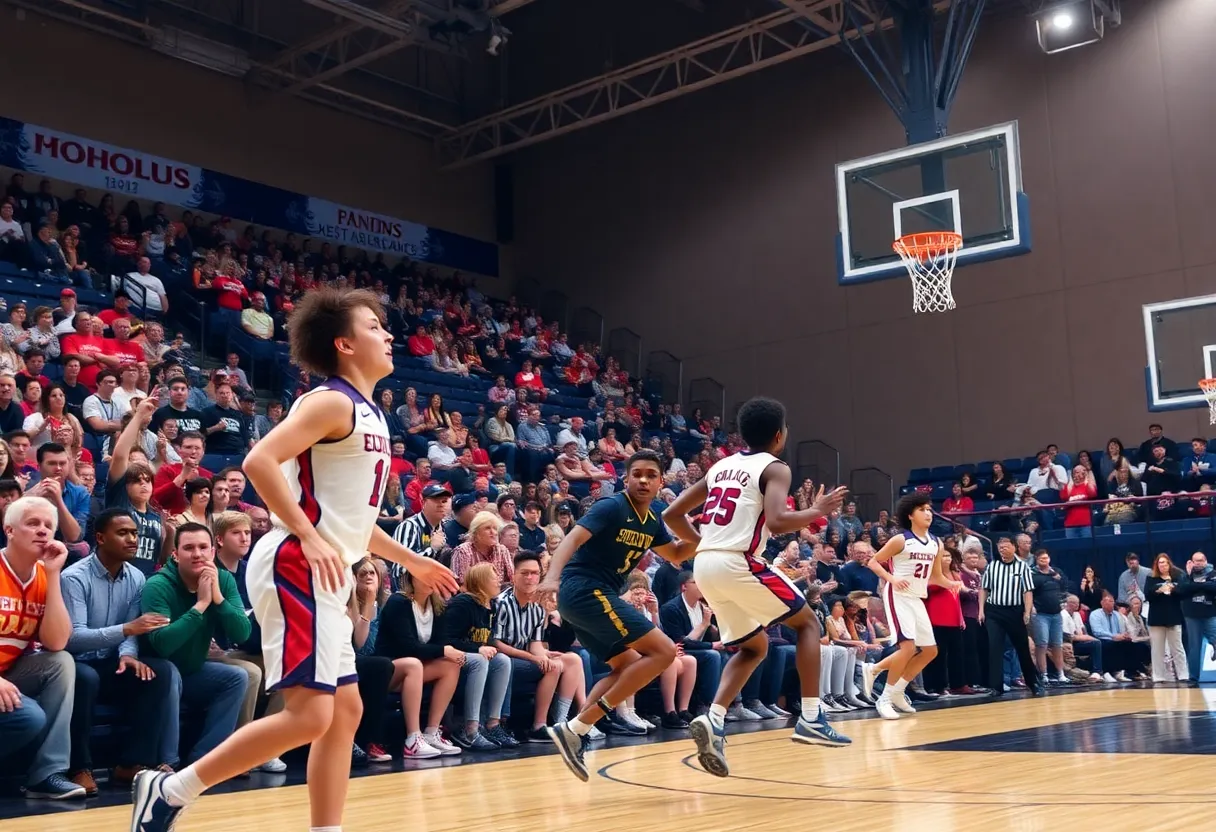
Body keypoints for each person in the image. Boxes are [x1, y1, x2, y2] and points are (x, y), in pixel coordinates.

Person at [131, 288, 459, 831]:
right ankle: (170, 788)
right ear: (344, 344)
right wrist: (306, 535)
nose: (389, 333)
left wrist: (414, 561)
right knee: (310, 714)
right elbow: (259, 460)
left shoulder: (369, 412)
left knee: (345, 713)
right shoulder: (331, 401)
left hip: (325, 570)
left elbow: (353, 523)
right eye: (374, 326)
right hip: (293, 565)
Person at [661, 396, 850, 778]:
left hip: (707, 563)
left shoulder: (721, 465)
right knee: (809, 624)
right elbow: (779, 522)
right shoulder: (775, 467)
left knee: (754, 646)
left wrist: (702, 542)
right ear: (779, 436)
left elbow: (671, 513)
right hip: (737, 560)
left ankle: (713, 719)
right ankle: (812, 717)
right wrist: (818, 510)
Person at [537, 449, 698, 782]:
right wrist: (553, 575)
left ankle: (575, 732)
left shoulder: (654, 518)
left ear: (660, 481)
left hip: (591, 597)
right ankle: (578, 725)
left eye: (651, 475)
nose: (643, 479)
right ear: (626, 478)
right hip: (584, 590)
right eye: (636, 473)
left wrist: (705, 535)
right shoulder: (611, 506)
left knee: (627, 666)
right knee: (665, 651)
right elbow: (572, 538)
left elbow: (678, 554)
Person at [61, 509, 176, 791]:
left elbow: (132, 630)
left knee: (158, 672)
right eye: (123, 533)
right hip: (75, 662)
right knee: (85, 678)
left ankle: (132, 764)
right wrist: (125, 631)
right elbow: (73, 638)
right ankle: (80, 767)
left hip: (113, 662)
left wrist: (128, 654)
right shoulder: (73, 577)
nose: (132, 539)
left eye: (134, 533)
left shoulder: (137, 577)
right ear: (100, 538)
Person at [0, 496, 80, 799]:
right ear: (9, 530)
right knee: (29, 716)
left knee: (60, 661)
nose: (43, 531)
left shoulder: (45, 576)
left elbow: (56, 641)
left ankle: (46, 775)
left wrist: (53, 574)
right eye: (32, 523)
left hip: (10, 676)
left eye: (49, 526)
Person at [860, 493, 961, 720]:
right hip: (897, 595)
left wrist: (952, 583)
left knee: (929, 651)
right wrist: (892, 578)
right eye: (922, 509)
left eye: (929, 509)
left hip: (916, 597)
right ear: (910, 515)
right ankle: (884, 698)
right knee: (907, 648)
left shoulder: (936, 542)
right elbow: (873, 561)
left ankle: (885, 681)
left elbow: (935, 578)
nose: (928, 513)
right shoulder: (900, 540)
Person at [978, 536, 1043, 697]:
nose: (1002, 550)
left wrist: (1027, 612)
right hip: (994, 611)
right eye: (1000, 547)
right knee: (994, 648)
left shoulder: (1022, 567)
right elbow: (984, 589)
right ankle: (996, 686)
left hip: (1014, 611)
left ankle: (1032, 682)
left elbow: (1027, 591)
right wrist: (981, 610)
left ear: (1014, 548)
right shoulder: (992, 566)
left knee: (1022, 648)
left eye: (1006, 547)